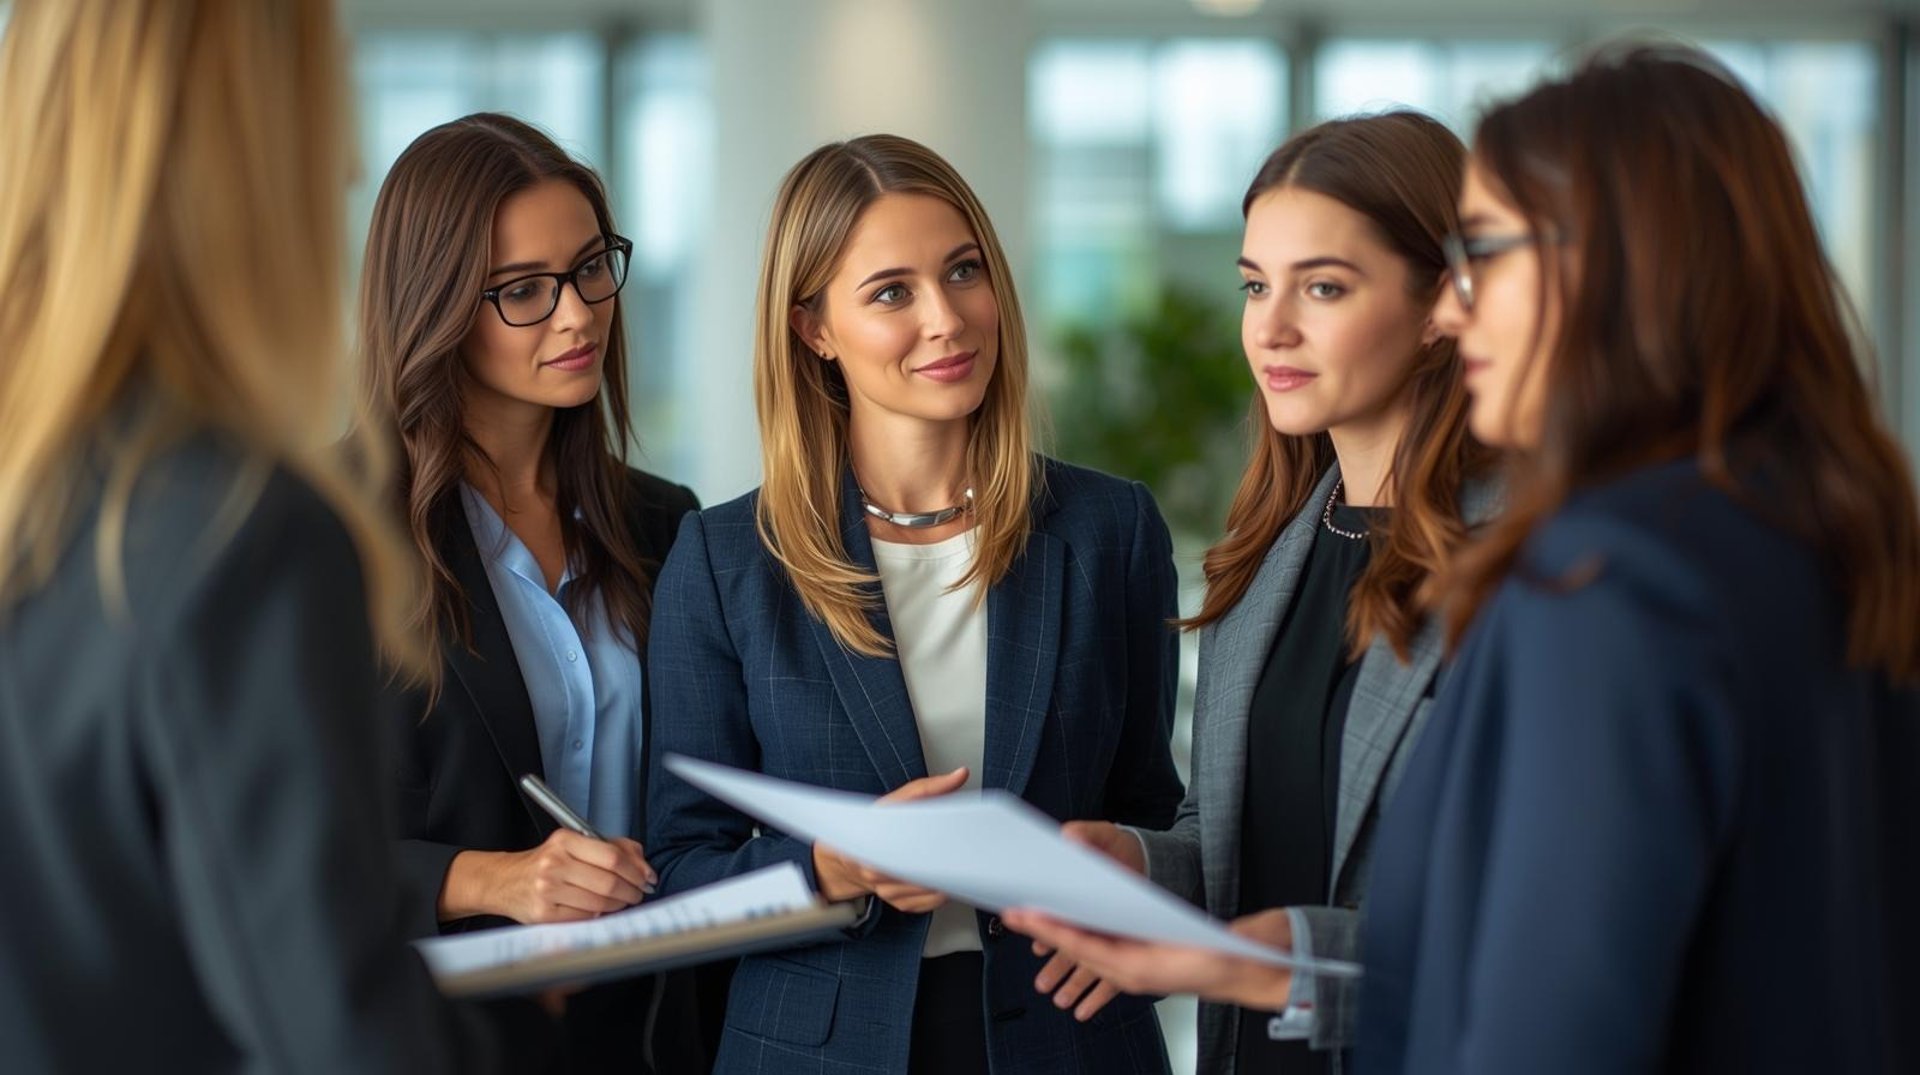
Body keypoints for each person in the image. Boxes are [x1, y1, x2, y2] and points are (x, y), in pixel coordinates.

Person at [0, 1, 552, 1069]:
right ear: (252, 151)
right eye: (324, 105)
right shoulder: (237, 530)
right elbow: (335, 1028)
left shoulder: (44, 493)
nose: (348, 162)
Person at [1352, 43, 1920, 1074]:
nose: (1449, 309)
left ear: (1610, 261)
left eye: (1481, 250)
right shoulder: (1833, 533)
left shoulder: (1605, 579)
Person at [643, 133, 1186, 1074]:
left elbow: (1159, 814)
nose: (947, 318)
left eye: (964, 271)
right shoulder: (726, 559)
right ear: (813, 328)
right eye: (892, 291)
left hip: (1070, 1040)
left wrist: (1137, 887)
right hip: (816, 1046)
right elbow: (682, 871)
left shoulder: (1110, 530)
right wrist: (829, 868)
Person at [1021, 113, 1496, 1074]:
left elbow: (1518, 925)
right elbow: (1247, 840)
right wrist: (1145, 865)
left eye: (1323, 286)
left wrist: (1295, 958)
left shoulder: (1525, 563)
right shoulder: (1267, 555)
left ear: (1441, 299)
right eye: (1255, 285)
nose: (1270, 327)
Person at [361, 112, 714, 1073]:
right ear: (432, 305)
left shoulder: (664, 523)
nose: (579, 314)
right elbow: (258, 848)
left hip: (640, 1034)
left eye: (593, 267)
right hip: (436, 1041)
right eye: (524, 290)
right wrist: (493, 879)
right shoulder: (337, 536)